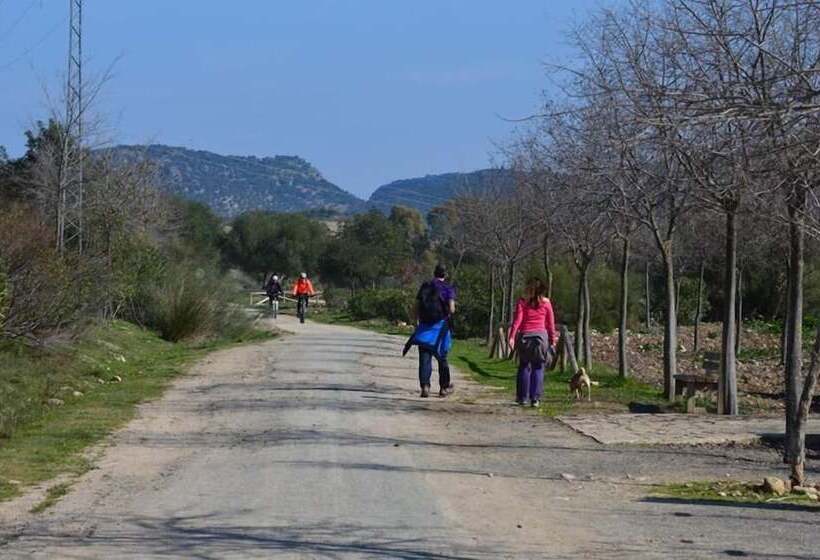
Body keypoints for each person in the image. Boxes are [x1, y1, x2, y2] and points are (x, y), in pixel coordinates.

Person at [403, 264, 456, 398]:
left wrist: (415, 322)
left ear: (434, 273)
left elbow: (416, 307)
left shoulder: (425, 286)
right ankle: (443, 388)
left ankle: (425, 386)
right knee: (442, 358)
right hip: (440, 329)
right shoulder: (448, 288)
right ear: (445, 275)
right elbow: (452, 308)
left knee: (424, 358)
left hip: (424, 329)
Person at [508, 278, 557, 408]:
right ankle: (535, 398)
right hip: (540, 337)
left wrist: (512, 336)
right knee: (538, 367)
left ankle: (522, 397)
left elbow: (517, 320)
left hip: (525, 337)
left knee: (524, 366)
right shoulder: (546, 303)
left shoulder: (522, 302)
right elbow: (550, 323)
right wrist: (553, 340)